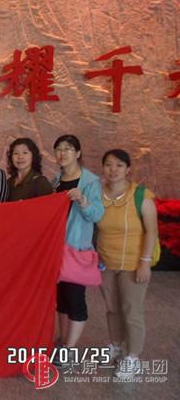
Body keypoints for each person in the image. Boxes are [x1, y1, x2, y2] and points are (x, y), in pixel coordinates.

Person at [96, 149, 158, 378]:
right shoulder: (98, 194)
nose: (113, 170)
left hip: (133, 263)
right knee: (112, 308)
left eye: (119, 165)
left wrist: (145, 263)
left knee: (132, 311)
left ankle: (133, 357)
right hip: (106, 263)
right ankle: (116, 345)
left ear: (128, 169)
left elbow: (151, 231)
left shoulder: (141, 196)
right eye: (109, 165)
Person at [52, 134, 104, 359]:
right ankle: (63, 341)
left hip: (76, 250)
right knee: (61, 300)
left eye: (68, 149)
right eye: (59, 149)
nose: (62, 153)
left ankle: (70, 349)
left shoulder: (90, 182)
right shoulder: (55, 181)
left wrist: (83, 201)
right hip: (56, 250)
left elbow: (97, 214)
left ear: (78, 153)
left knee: (75, 300)